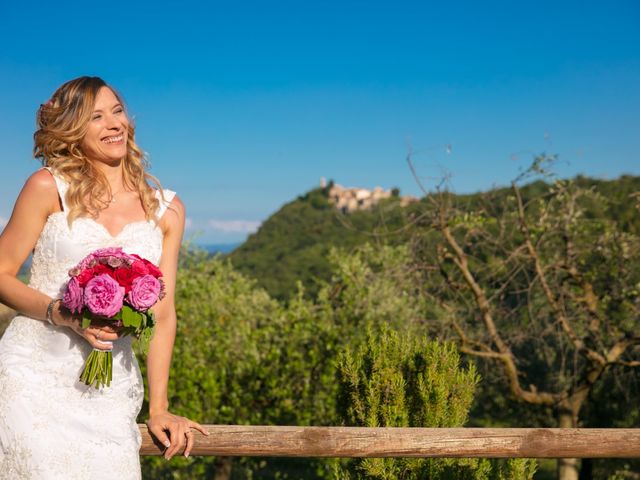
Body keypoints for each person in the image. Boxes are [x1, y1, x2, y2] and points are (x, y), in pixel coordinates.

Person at [0, 76, 207, 478]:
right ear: (73, 131)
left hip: (108, 388)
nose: (114, 124)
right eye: (96, 116)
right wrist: (59, 312)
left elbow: (163, 316)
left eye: (117, 112)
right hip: (29, 377)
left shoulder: (168, 209)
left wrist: (160, 407)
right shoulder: (47, 188)